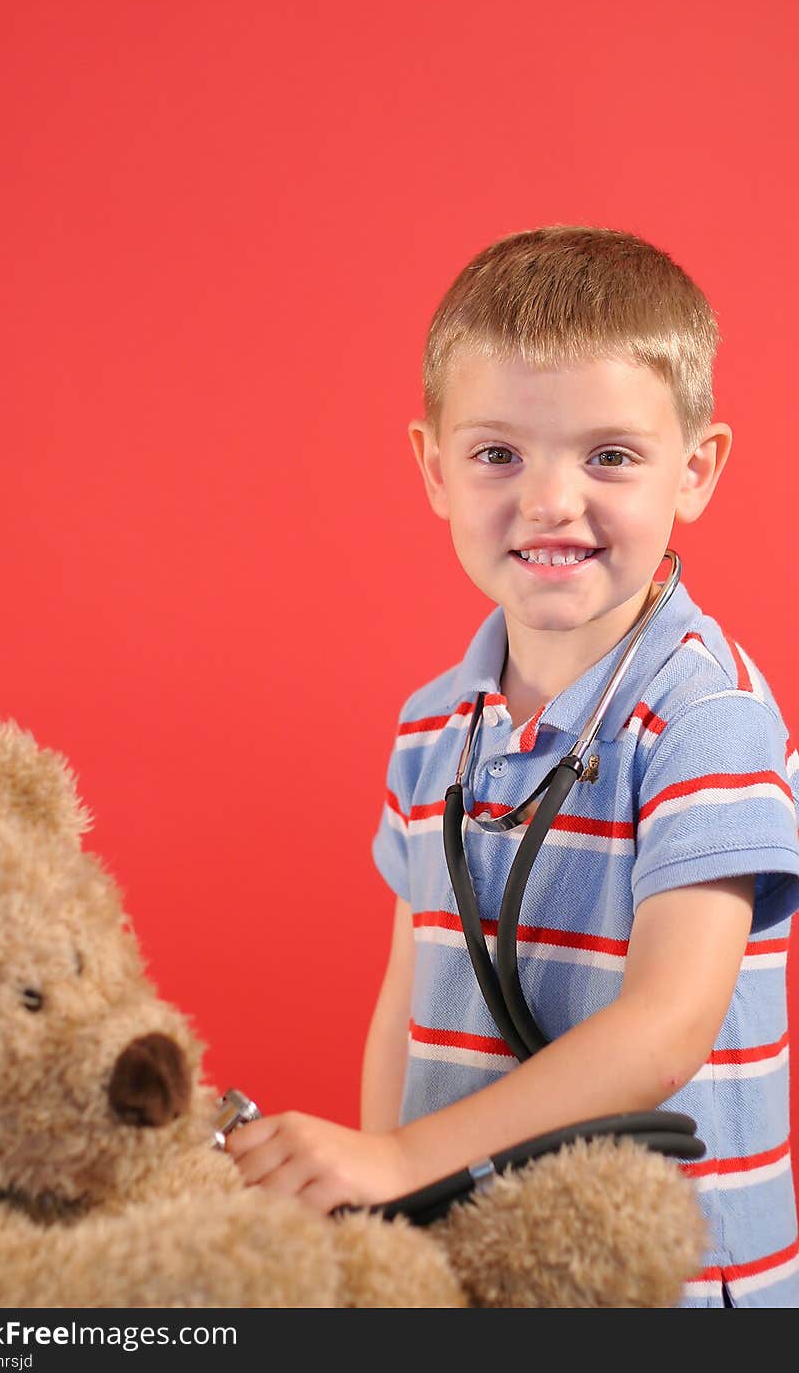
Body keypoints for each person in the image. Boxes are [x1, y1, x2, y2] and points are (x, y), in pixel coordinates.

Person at [225, 225, 799, 1307]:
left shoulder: (705, 715)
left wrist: (399, 1161)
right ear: (431, 468)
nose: (546, 501)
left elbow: (665, 1027)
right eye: (498, 453)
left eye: (609, 456)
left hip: (668, 1286)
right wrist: (382, 1217)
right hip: (480, 1267)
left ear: (697, 470)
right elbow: (408, 997)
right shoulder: (431, 726)